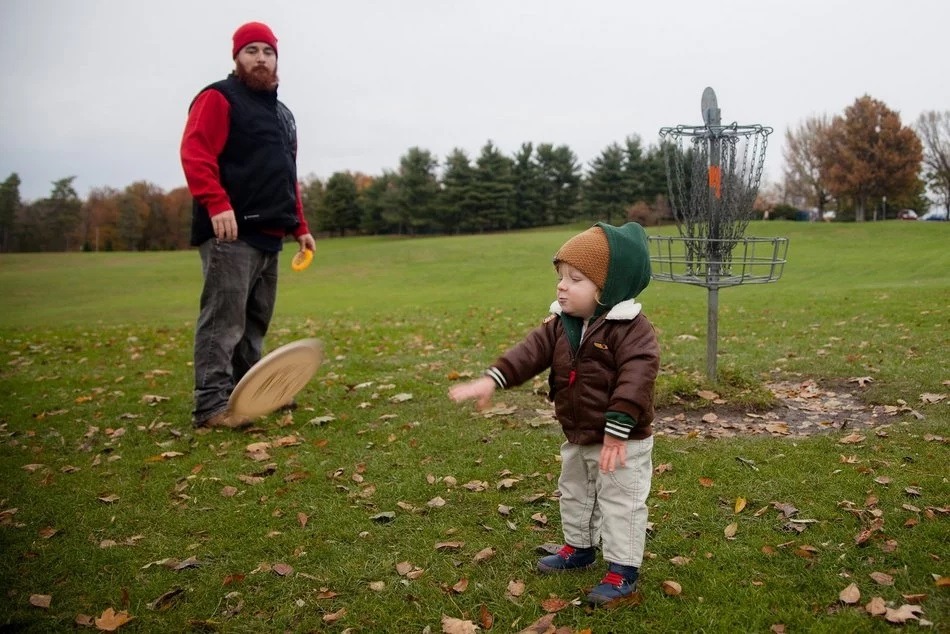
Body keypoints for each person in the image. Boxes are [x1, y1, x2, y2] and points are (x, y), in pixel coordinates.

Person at [449, 222, 659, 605]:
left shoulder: (631, 330)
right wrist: (492, 380)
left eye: (576, 279)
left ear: (609, 288)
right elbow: (528, 353)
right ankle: (579, 547)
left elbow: (637, 378)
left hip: (621, 440)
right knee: (575, 491)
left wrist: (619, 427)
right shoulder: (562, 325)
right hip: (578, 432)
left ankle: (622, 570)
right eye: (561, 277)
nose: (562, 286)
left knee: (620, 501)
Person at [180, 21, 315, 429]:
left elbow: (286, 174)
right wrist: (216, 202)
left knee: (254, 323)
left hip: (271, 233)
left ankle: (250, 394)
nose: (261, 58)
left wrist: (299, 225)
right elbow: (196, 151)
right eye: (252, 50)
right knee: (224, 321)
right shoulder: (218, 98)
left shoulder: (282, 114)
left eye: (268, 52)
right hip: (231, 232)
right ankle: (210, 405)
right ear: (237, 57)